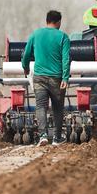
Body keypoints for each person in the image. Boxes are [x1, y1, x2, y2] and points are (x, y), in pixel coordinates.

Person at [22, 10, 71, 146]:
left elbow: (26, 54)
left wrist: (25, 67)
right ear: (59, 22)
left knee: (41, 106)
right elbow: (66, 59)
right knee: (57, 108)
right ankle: (56, 138)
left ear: (47, 21)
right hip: (56, 78)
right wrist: (65, 78)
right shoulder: (63, 37)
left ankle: (43, 135)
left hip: (39, 78)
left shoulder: (36, 34)